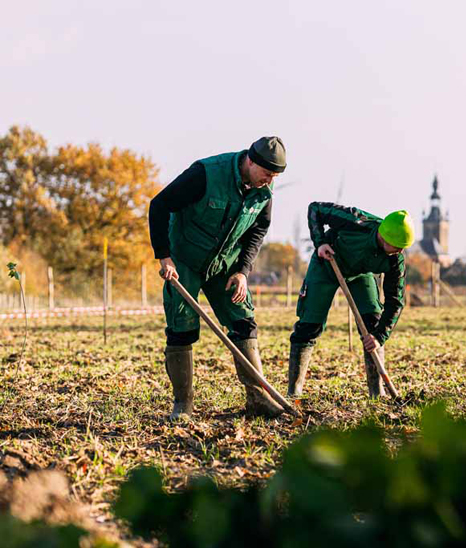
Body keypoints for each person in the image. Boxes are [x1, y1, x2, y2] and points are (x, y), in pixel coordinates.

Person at [148, 136, 287, 420]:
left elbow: (258, 230)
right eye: (266, 173)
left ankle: (258, 399)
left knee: (243, 320)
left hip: (225, 264)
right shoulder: (205, 174)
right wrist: (164, 255)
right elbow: (159, 205)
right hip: (184, 259)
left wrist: (243, 271)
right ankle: (182, 405)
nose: (269, 180)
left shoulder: (264, 192)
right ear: (250, 160)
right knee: (182, 327)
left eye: (275, 176)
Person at [287, 202, 413, 398]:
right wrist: (320, 242)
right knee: (309, 326)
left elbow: (395, 301)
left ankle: (377, 392)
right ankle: (294, 391)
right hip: (327, 264)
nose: (398, 252)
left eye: (401, 249)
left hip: (360, 274)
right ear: (382, 236)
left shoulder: (395, 260)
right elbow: (315, 209)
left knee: (373, 323)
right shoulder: (356, 220)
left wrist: (379, 337)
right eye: (395, 247)